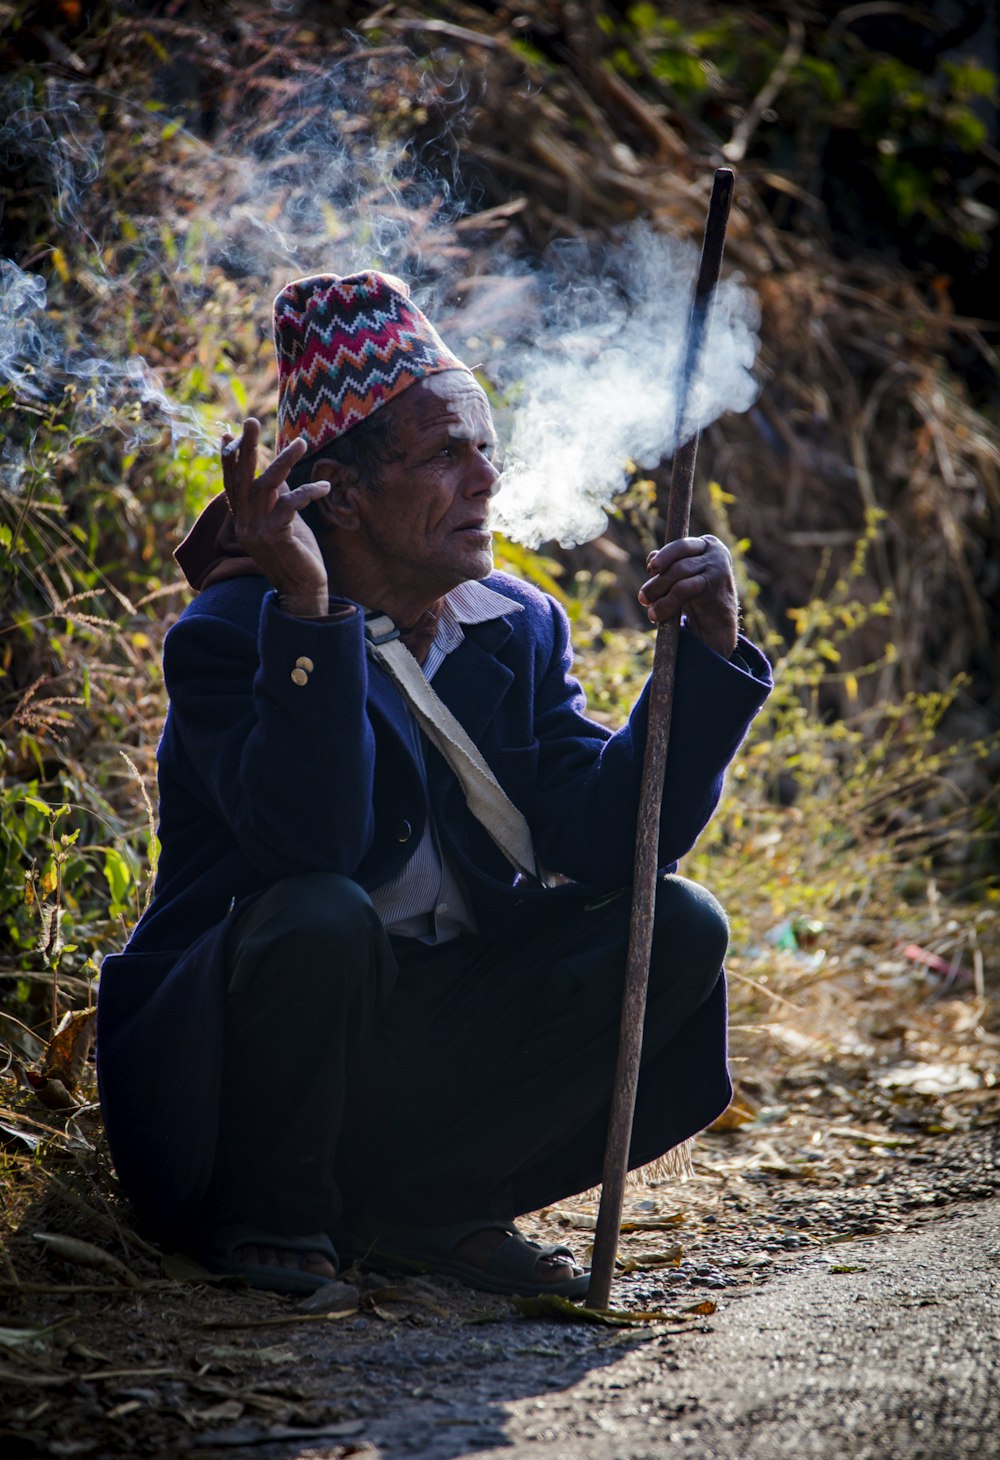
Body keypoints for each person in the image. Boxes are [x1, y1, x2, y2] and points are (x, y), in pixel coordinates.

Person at [96, 270, 772, 1299]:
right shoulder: (234, 634)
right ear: (346, 498)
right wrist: (313, 615)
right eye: (444, 456)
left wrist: (706, 657)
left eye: (485, 451)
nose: (486, 482)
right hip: (254, 1069)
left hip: (430, 1045)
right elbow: (312, 849)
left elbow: (608, 844)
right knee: (321, 914)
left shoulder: (511, 624)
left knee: (675, 921)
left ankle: (428, 1207)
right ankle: (274, 1215)